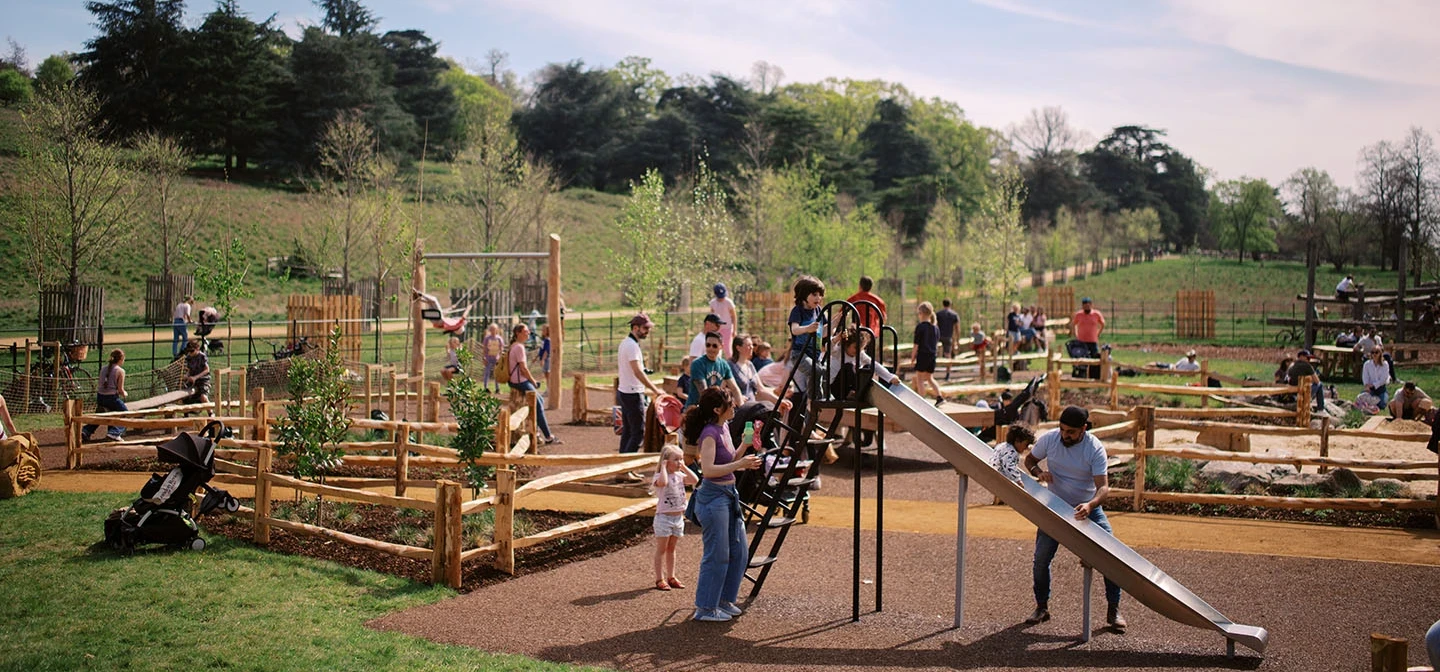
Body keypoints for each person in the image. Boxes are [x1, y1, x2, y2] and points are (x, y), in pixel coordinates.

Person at [1023, 406, 1125, 632]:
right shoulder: (1050, 439)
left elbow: (1104, 488)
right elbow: (1029, 459)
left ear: (1084, 429)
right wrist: (1038, 472)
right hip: (1055, 507)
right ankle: (1042, 607)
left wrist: (1090, 505)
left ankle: (1114, 609)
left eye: (1070, 432)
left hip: (1086, 508)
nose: (1064, 435)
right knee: (1041, 559)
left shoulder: (1094, 448)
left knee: (1113, 555)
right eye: (1062, 429)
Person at [684, 387, 762, 622]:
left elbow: (729, 459)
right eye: (730, 403)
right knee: (717, 553)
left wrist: (745, 448)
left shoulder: (724, 427)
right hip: (713, 497)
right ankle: (706, 608)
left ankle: (724, 600)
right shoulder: (709, 433)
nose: (735, 406)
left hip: (728, 493)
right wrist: (740, 465)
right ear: (718, 409)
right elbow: (708, 471)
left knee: (739, 551)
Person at [652, 444, 698, 592]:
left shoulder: (679, 476)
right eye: (676, 460)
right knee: (662, 549)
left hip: (678, 518)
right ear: (666, 461)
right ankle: (660, 578)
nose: (679, 462)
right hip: (664, 518)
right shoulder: (660, 476)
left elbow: (695, 479)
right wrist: (664, 468)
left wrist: (684, 467)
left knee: (672, 549)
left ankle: (671, 576)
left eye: (681, 459)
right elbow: (663, 483)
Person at [507, 324, 560, 445]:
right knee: (538, 403)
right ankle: (548, 436)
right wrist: (533, 381)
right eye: (526, 331)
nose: (529, 333)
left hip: (515, 380)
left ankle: (538, 432)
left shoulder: (514, 346)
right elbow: (523, 369)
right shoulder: (519, 347)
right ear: (518, 333)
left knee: (538, 401)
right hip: (520, 381)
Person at [618, 313, 664, 454]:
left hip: (625, 391)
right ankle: (626, 468)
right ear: (635, 327)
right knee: (638, 433)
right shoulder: (631, 346)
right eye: (645, 328)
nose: (647, 331)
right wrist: (656, 390)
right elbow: (637, 372)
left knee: (628, 431)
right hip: (632, 393)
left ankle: (622, 467)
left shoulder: (626, 343)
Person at [787, 275, 826, 395]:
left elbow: (824, 331)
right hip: (800, 353)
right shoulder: (798, 311)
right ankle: (813, 399)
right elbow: (795, 329)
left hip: (815, 353)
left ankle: (812, 406)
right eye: (814, 295)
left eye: (820, 295)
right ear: (804, 295)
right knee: (815, 371)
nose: (818, 298)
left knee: (820, 372)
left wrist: (838, 320)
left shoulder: (819, 310)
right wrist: (807, 329)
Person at [82, 349, 129, 442]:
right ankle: (114, 433)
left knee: (101, 415)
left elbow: (100, 385)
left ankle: (86, 430)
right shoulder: (120, 371)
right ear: (121, 359)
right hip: (111, 398)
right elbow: (120, 390)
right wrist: (125, 394)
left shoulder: (103, 368)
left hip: (100, 397)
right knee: (125, 414)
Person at [911, 301, 942, 400]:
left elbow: (916, 345)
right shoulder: (935, 328)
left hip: (923, 355)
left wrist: (912, 357)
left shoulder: (920, 327)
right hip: (932, 356)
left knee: (919, 378)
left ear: (921, 313)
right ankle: (939, 397)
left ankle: (922, 399)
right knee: (929, 378)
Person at [1072, 298, 1106, 379]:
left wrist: (1098, 333)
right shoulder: (1078, 315)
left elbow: (1102, 324)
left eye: (1088, 305)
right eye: (1085, 306)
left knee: (1094, 358)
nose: (1086, 307)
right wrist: (1076, 334)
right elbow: (1073, 324)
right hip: (1082, 341)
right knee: (1081, 358)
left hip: (1092, 340)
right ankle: (1081, 375)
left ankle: (1094, 375)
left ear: (1091, 305)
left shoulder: (1096, 314)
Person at [709, 283, 738, 354]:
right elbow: (712, 315)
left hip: (727, 328)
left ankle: (731, 364)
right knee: (717, 349)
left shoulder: (728, 302)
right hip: (717, 329)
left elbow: (734, 316)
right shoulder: (713, 303)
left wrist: (734, 330)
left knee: (727, 349)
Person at [183, 339, 212, 405]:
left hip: (203, 380)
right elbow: (189, 370)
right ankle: (186, 413)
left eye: (192, 351)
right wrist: (187, 376)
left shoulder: (202, 356)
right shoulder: (188, 357)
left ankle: (211, 413)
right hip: (192, 381)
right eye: (188, 351)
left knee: (203, 397)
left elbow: (207, 369)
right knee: (184, 396)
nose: (190, 353)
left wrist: (195, 377)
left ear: (197, 349)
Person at [481, 324, 505, 393]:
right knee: (487, 373)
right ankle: (486, 388)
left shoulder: (499, 338)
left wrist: (501, 358)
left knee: (496, 373)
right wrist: (484, 358)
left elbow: (501, 349)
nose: (493, 331)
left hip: (496, 358)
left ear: (497, 330)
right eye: (491, 329)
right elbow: (484, 348)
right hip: (488, 358)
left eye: (494, 329)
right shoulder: (487, 338)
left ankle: (497, 388)